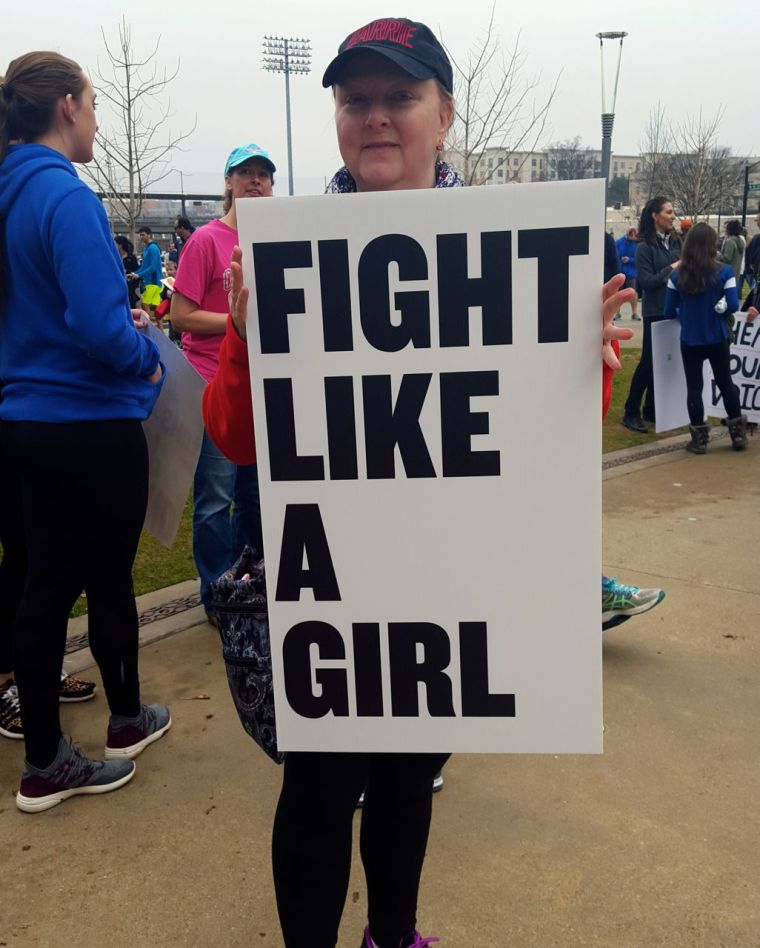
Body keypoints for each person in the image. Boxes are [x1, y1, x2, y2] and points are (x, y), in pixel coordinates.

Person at [202, 19, 634, 948]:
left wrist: (587, 360)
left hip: (444, 575)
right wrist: (244, 336)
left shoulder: (514, 252)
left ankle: (392, 934)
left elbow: (536, 443)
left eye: (399, 97)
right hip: (331, 581)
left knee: (407, 772)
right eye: (355, 100)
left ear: (444, 114)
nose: (376, 118)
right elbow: (237, 435)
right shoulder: (279, 255)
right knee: (319, 785)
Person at [0, 51, 171, 812]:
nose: (98, 118)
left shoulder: (7, 194)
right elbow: (101, 327)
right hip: (90, 420)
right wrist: (144, 358)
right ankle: (127, 721)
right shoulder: (64, 196)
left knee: (41, 586)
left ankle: (43, 757)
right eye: (95, 103)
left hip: (25, 419)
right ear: (66, 107)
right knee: (105, 580)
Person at [170, 143, 270, 623]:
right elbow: (181, 315)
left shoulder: (274, 238)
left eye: (263, 174)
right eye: (244, 172)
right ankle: (215, 593)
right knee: (214, 498)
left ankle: (248, 585)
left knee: (255, 496)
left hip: (263, 386)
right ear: (228, 182)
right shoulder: (206, 241)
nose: (255, 181)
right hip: (211, 381)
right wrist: (236, 321)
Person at [664, 222, 747, 452]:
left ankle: (699, 439)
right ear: (712, 244)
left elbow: (669, 311)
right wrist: (719, 305)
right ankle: (738, 435)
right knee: (725, 382)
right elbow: (731, 304)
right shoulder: (725, 271)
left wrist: (685, 312)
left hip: (690, 339)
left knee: (694, 387)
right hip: (717, 337)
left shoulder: (676, 275)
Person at [621, 196, 681, 433]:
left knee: (665, 362)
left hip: (674, 310)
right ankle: (631, 411)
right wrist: (673, 268)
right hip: (655, 311)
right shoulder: (644, 247)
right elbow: (647, 282)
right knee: (648, 361)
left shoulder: (676, 243)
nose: (673, 216)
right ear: (655, 216)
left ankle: (652, 409)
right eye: (668, 211)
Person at [130, 224, 164, 324]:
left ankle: (149, 328)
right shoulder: (147, 248)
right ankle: (160, 330)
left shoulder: (152, 248)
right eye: (140, 235)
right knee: (157, 309)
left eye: (143, 235)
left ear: (149, 235)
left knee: (145, 305)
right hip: (154, 282)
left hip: (152, 282)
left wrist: (139, 275)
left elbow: (152, 267)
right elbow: (145, 266)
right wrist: (135, 273)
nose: (141, 237)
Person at [615, 227, 640, 320]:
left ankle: (634, 313)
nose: (633, 237)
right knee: (617, 293)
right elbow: (614, 255)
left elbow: (639, 259)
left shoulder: (638, 244)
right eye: (631, 236)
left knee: (633, 293)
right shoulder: (619, 242)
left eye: (634, 236)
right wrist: (619, 259)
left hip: (631, 273)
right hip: (619, 272)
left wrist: (630, 260)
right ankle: (617, 313)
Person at [115, 234, 140, 308]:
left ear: (120, 245)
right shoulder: (115, 257)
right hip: (118, 285)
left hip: (129, 286)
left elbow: (136, 271)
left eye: (115, 244)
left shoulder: (131, 258)